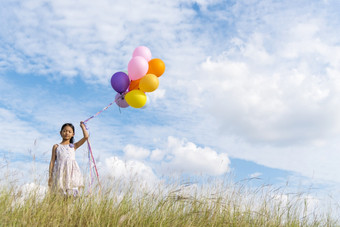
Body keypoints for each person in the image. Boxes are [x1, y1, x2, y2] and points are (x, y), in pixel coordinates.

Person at [48, 122, 89, 197]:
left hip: (71, 174)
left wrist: (82, 127)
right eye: (64, 131)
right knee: (60, 196)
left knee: (71, 196)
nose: (67, 133)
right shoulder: (56, 146)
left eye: (69, 131)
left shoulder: (73, 146)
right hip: (60, 174)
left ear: (73, 134)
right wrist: (50, 176)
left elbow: (86, 137)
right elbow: (52, 162)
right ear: (60, 133)